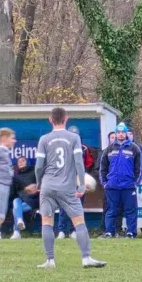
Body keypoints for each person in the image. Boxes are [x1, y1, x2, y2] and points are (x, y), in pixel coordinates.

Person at [35, 107, 106, 269]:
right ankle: (86, 258)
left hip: (48, 186)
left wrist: (39, 183)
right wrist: (81, 184)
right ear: (66, 118)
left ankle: (50, 260)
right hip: (67, 187)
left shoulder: (44, 139)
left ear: (50, 120)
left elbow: (39, 166)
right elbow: (79, 163)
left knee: (47, 222)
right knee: (79, 222)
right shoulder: (74, 138)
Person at [99, 122, 142, 239]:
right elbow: (102, 167)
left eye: (123, 132)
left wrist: (136, 183)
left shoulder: (134, 148)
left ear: (126, 133)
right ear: (116, 133)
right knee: (111, 211)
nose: (120, 134)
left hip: (128, 186)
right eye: (118, 132)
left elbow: (140, 167)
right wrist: (104, 183)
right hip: (112, 186)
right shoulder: (109, 149)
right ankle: (109, 232)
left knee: (130, 211)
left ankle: (131, 232)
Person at [56, 125, 94, 240]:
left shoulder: (84, 148)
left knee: (77, 206)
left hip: (78, 180)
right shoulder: (62, 147)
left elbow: (89, 163)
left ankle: (74, 230)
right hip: (65, 179)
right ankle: (62, 230)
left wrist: (84, 176)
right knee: (63, 206)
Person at [10, 156, 40, 240]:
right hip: (21, 200)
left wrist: (36, 189)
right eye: (19, 162)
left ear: (27, 162)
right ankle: (19, 220)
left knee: (15, 210)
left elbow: (40, 185)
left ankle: (16, 231)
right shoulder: (16, 176)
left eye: (23, 161)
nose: (21, 162)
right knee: (16, 200)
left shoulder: (34, 172)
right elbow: (14, 192)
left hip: (33, 199)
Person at [95, 132, 116, 236]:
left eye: (115, 137)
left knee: (119, 208)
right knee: (107, 207)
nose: (114, 139)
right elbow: (97, 169)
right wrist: (104, 181)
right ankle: (105, 229)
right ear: (109, 139)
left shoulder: (125, 151)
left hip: (121, 185)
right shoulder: (104, 152)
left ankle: (118, 229)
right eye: (112, 137)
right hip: (108, 185)